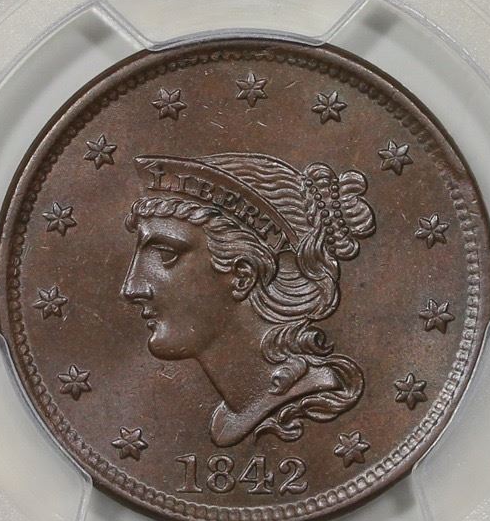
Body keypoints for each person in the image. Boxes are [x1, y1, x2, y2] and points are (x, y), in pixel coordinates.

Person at [121, 151, 375, 446]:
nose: (131, 288)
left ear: (243, 276)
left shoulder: (309, 398)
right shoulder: (232, 416)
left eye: (166, 254)